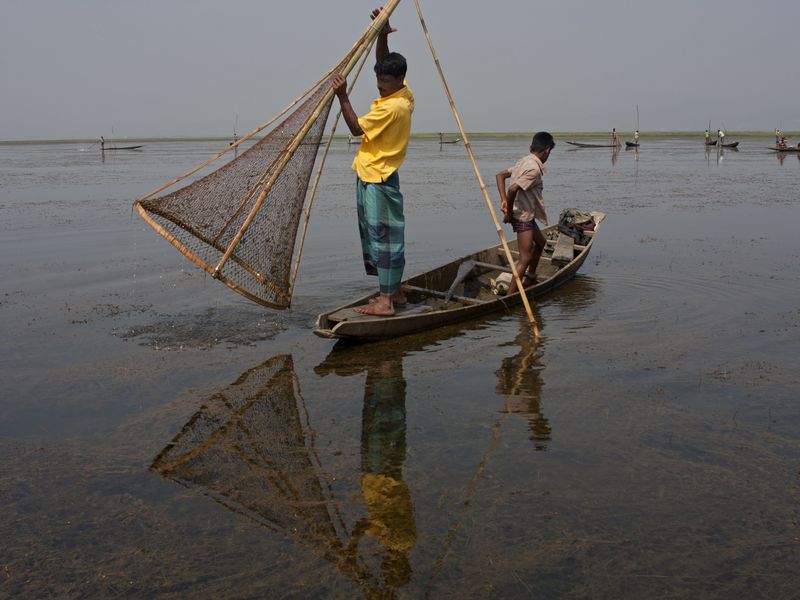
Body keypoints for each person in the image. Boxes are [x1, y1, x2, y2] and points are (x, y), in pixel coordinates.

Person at [332, 8, 414, 317]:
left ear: (399, 81)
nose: (380, 85)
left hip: (379, 179)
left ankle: (385, 302)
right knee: (377, 236)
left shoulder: (393, 108)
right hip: (370, 175)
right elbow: (383, 62)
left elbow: (355, 129)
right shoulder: (404, 94)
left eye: (385, 82)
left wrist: (343, 96)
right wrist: (382, 32)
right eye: (379, 79)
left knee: (384, 239)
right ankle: (397, 292)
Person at [495, 132, 556, 296]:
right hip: (522, 216)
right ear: (547, 151)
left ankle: (530, 277)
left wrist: (505, 201)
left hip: (525, 214)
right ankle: (511, 295)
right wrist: (507, 212)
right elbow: (513, 188)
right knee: (525, 258)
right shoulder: (534, 169)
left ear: (531, 147)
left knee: (541, 244)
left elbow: (500, 176)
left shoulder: (524, 161)